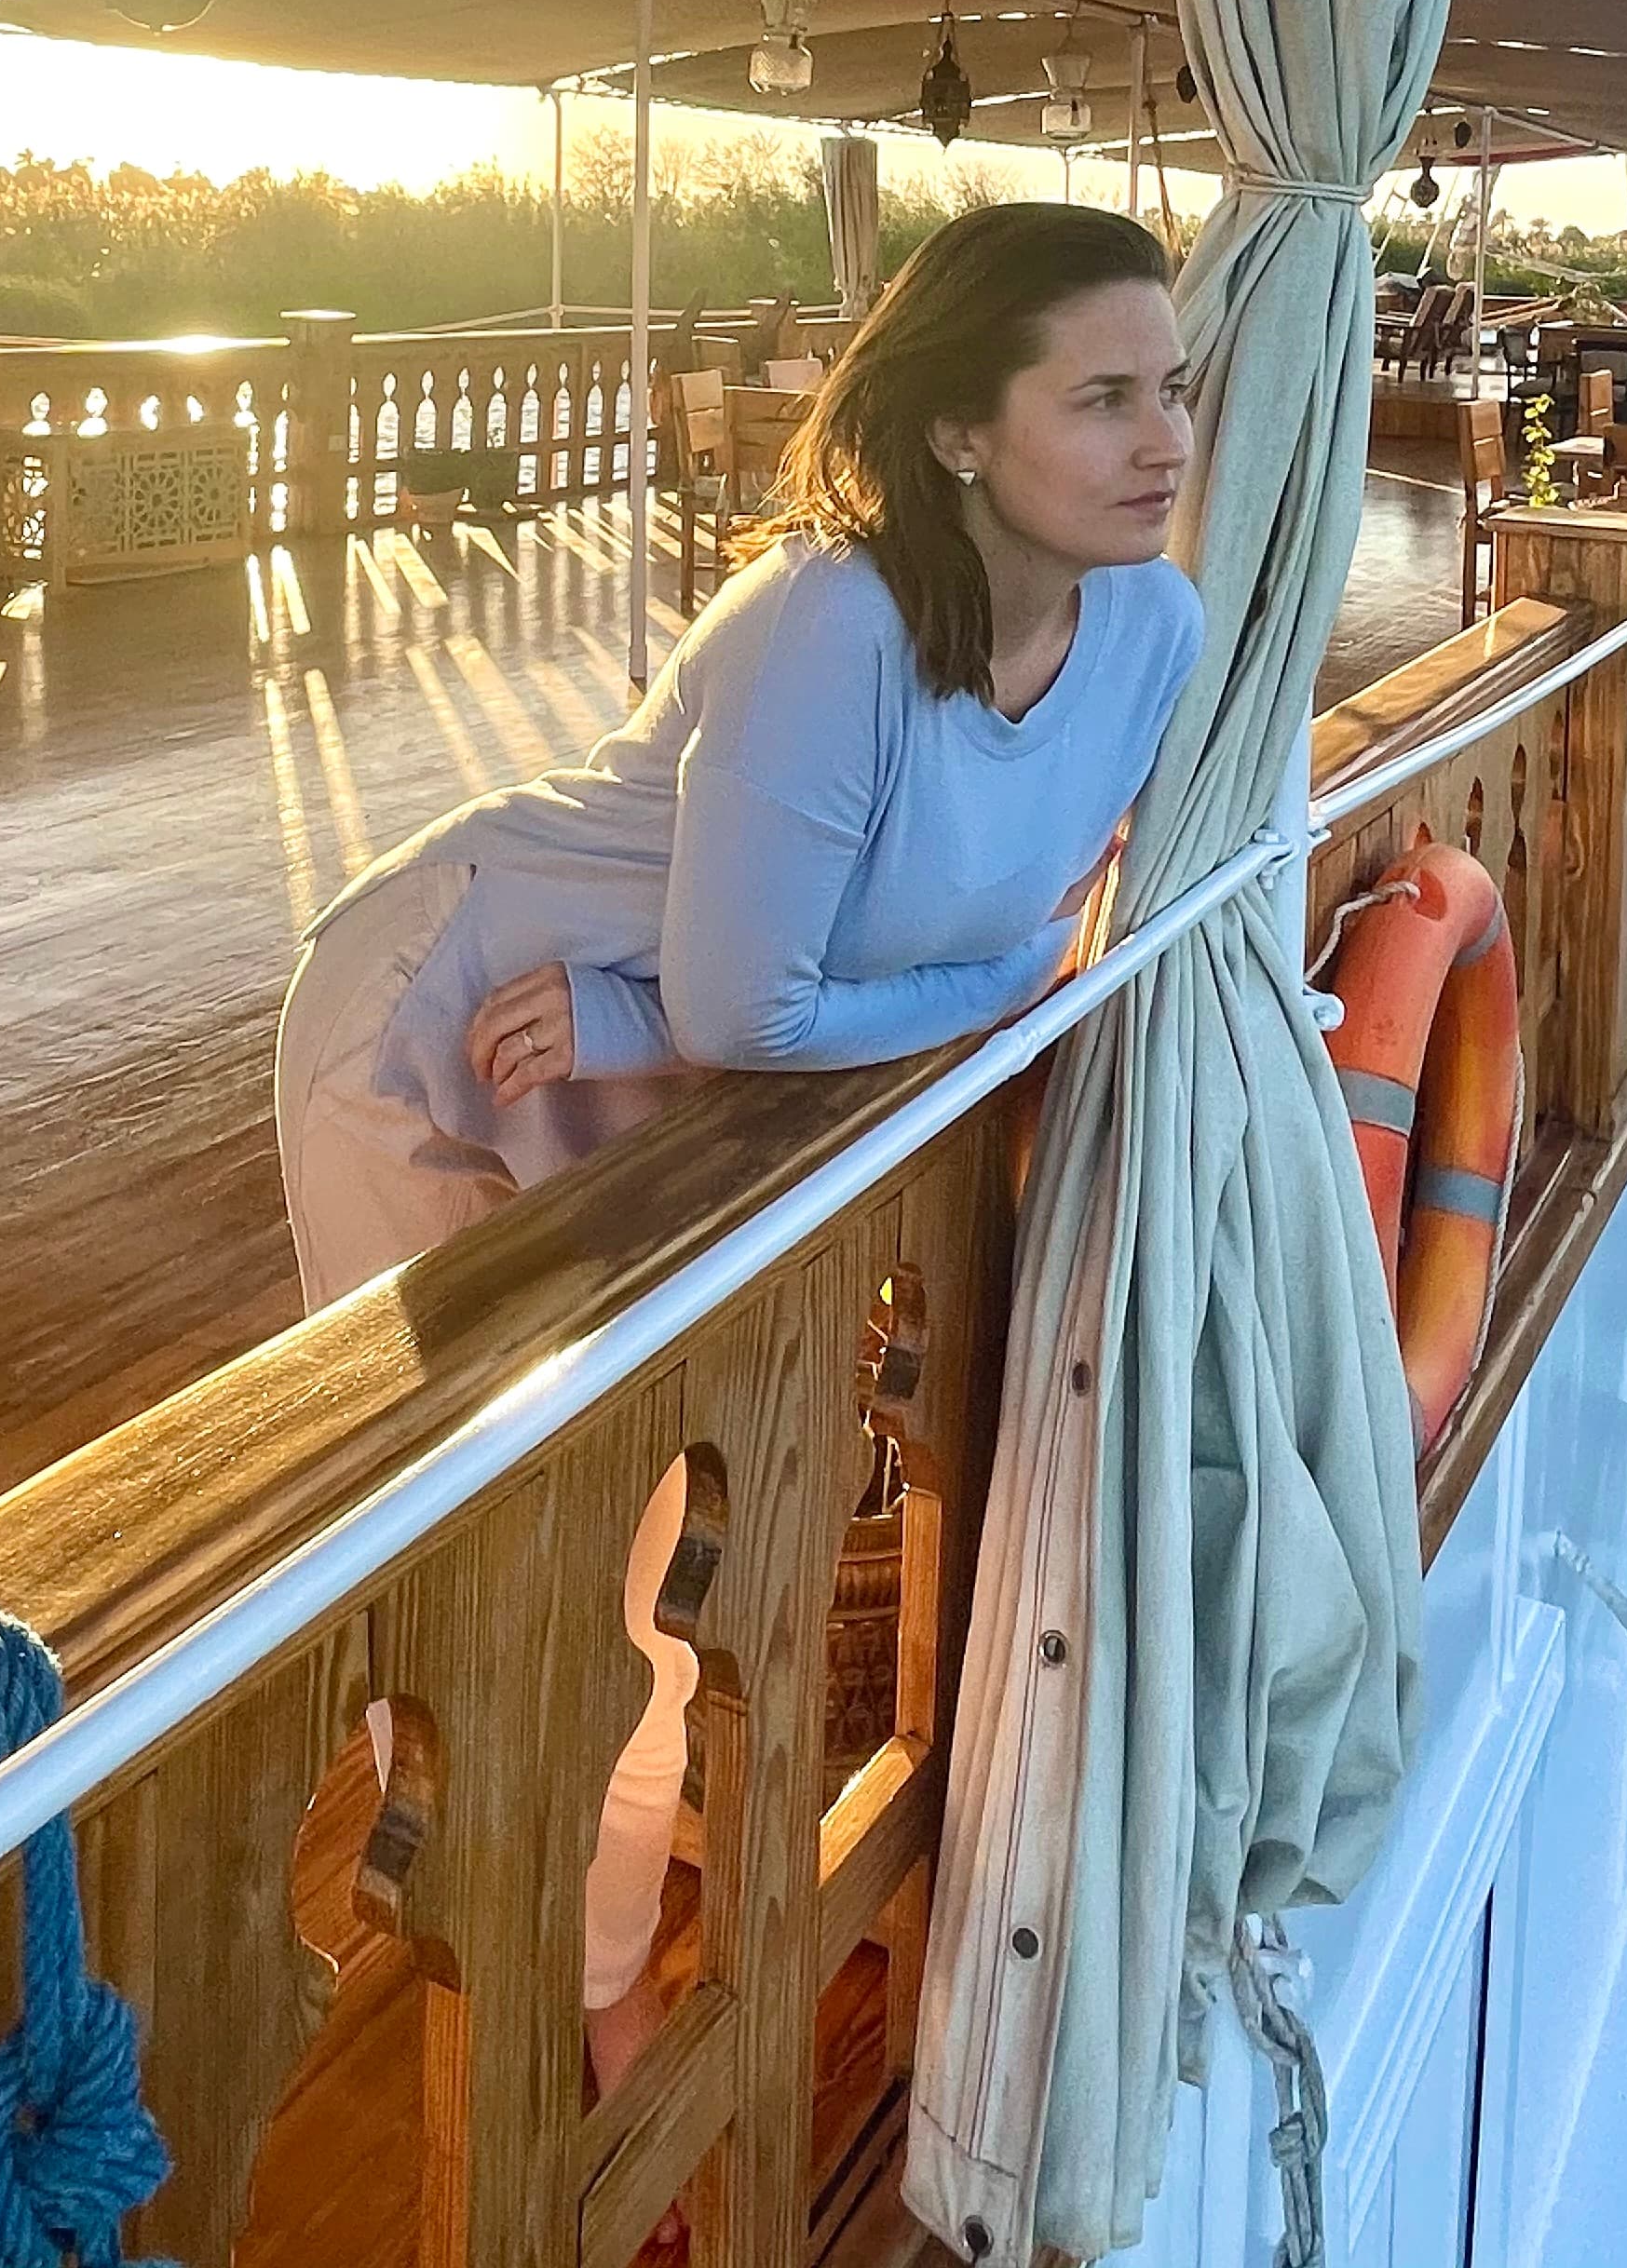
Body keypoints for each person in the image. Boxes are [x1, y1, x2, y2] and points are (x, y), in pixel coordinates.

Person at [273, 198, 1204, 2086]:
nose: (1166, 439)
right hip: (445, 1021)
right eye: (1102, 397)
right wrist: (1027, 962)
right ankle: (492, 1966)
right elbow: (785, 1003)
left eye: (1172, 388)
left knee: (649, 1576)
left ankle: (582, 1971)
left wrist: (678, 1017)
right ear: (961, 430)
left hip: (655, 1060)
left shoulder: (1154, 633)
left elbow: (786, 993)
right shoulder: (832, 620)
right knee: (464, 1541)